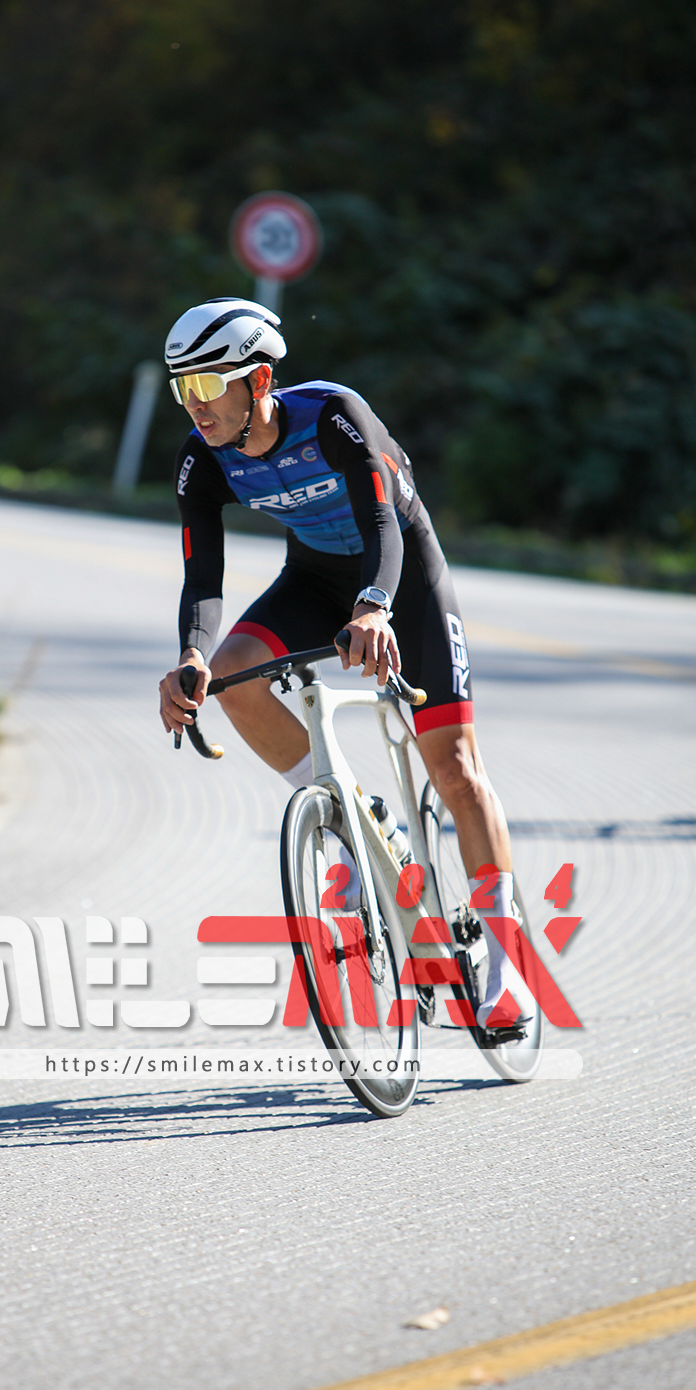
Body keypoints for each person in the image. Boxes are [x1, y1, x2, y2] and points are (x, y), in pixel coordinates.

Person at [155, 297, 525, 1033]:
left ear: (259, 381)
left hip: (401, 579)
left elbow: (385, 521)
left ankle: (506, 958)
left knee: (454, 766)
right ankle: (351, 813)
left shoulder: (333, 417)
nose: (194, 404)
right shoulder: (201, 459)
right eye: (181, 388)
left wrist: (375, 606)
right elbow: (203, 576)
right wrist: (191, 655)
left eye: (207, 385)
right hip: (316, 579)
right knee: (232, 675)